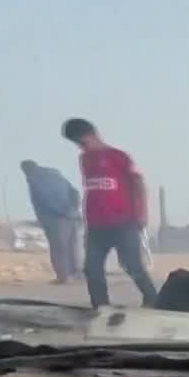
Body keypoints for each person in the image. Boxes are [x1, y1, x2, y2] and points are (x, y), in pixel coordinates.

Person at [62, 118, 159, 309]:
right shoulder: (85, 160)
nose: (82, 148)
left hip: (123, 221)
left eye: (84, 143)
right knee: (92, 268)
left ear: (94, 134)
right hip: (97, 225)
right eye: (78, 145)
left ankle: (153, 299)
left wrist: (142, 213)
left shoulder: (118, 157)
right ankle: (100, 306)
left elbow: (138, 184)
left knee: (132, 264)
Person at [20, 159, 82, 283]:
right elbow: (75, 192)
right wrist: (74, 209)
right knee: (72, 246)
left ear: (26, 170)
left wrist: (61, 212)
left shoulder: (35, 179)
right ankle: (77, 275)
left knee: (59, 248)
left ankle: (63, 277)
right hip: (72, 216)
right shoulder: (55, 174)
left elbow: (45, 198)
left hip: (55, 219)